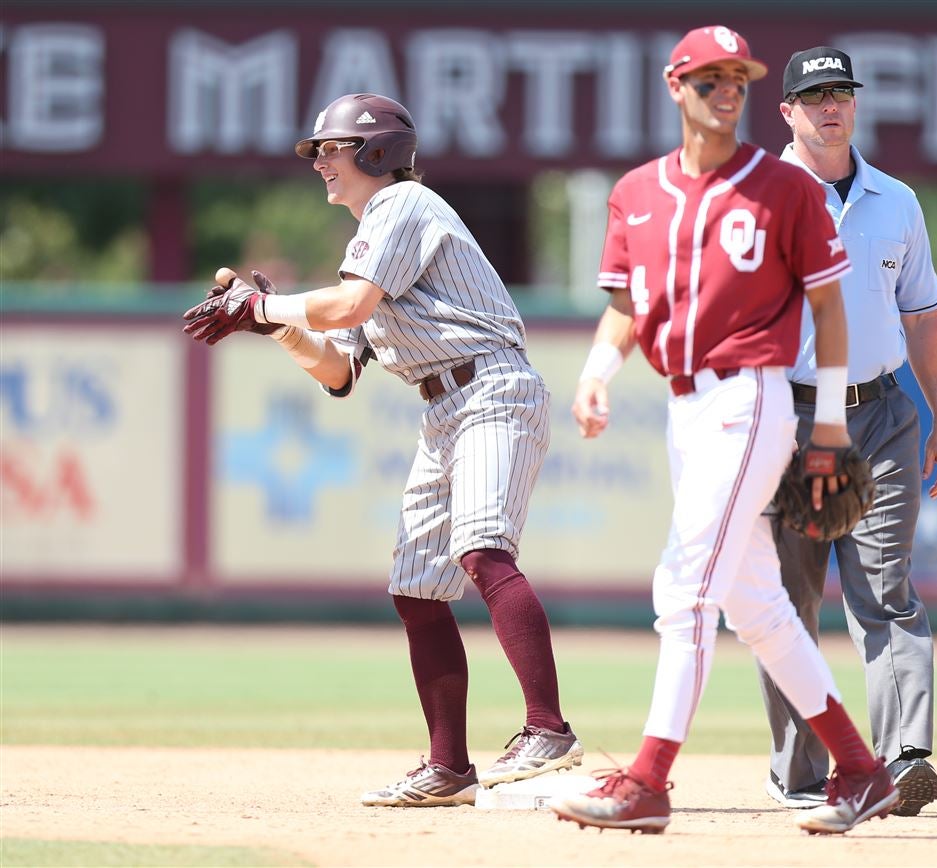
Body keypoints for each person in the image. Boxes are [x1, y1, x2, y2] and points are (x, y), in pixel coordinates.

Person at [181, 93, 582, 807]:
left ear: (375, 152)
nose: (321, 164)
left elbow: (348, 307)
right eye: (319, 153)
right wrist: (271, 325)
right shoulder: (372, 238)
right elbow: (338, 370)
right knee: (415, 590)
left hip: (491, 387)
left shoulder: (402, 208)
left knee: (483, 552)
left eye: (330, 150)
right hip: (443, 405)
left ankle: (548, 728)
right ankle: (448, 768)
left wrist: (264, 306)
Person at [548, 26, 897, 836]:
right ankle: (859, 768)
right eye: (710, 79)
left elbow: (829, 312)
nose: (727, 90)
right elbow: (626, 307)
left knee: (684, 589)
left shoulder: (785, 189)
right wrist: (596, 375)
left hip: (751, 398)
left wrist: (832, 429)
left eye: (738, 77)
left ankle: (648, 781)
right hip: (683, 404)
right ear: (677, 87)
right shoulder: (636, 192)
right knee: (758, 605)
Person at [758, 46, 937, 818]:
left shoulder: (896, 201)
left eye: (840, 92)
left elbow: (924, 315)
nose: (829, 106)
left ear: (856, 103)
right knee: (791, 602)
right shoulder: (761, 198)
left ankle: (904, 756)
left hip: (880, 412)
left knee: (887, 589)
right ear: (787, 112)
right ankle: (801, 771)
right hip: (791, 412)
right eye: (813, 97)